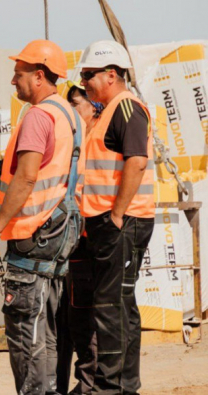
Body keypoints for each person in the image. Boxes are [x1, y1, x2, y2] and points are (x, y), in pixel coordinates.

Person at [0, 40, 85, 395]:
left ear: (39, 76)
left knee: (27, 329)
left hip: (35, 232)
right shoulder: (68, 114)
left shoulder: (39, 116)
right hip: (60, 232)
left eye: (19, 74)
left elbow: (25, 178)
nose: (13, 81)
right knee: (48, 327)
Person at [77, 40, 155, 394]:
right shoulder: (106, 111)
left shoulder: (127, 108)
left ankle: (112, 388)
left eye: (89, 75)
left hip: (121, 222)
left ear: (111, 74)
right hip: (110, 222)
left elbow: (136, 161)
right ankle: (123, 386)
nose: (85, 82)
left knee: (111, 307)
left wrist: (117, 216)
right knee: (120, 305)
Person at [56, 80, 102, 395]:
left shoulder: (95, 140)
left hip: (89, 237)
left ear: (93, 106)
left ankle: (88, 385)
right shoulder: (77, 140)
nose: (71, 111)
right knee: (70, 316)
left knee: (84, 315)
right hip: (72, 237)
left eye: (76, 104)